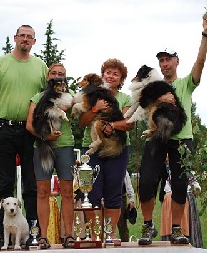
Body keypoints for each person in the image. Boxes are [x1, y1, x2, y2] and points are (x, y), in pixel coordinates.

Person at [138, 12, 207, 245]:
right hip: (158, 137)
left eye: (168, 59)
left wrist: (205, 33)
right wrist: (159, 101)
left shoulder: (185, 84)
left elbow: (200, 64)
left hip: (182, 138)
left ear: (176, 61)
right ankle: (148, 226)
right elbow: (142, 103)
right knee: (146, 181)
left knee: (180, 185)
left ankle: (177, 230)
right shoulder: (155, 85)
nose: (164, 63)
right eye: (161, 60)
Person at [0, 24, 48, 249]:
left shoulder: (41, 66)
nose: (25, 40)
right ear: (15, 38)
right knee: (4, 183)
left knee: (31, 185)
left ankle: (32, 235)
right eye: (22, 36)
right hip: (4, 128)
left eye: (30, 37)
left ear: (34, 42)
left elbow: (45, 100)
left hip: (30, 130)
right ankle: (2, 237)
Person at [79, 58, 134, 245]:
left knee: (114, 192)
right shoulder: (92, 93)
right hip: (92, 149)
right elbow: (82, 122)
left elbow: (129, 123)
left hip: (117, 150)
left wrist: (111, 125)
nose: (111, 76)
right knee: (90, 193)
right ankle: (94, 236)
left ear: (121, 79)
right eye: (108, 73)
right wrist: (96, 108)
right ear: (102, 75)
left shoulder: (125, 98)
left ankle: (109, 234)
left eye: (115, 74)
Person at [26, 63, 75, 249]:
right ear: (48, 77)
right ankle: (43, 236)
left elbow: (75, 108)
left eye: (61, 74)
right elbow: (29, 124)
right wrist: (44, 136)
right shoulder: (38, 97)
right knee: (43, 192)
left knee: (68, 192)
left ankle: (69, 234)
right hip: (42, 146)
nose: (57, 76)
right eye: (53, 73)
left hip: (65, 145)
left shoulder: (69, 97)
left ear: (65, 78)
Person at [116, 171, 135, 242]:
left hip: (121, 197)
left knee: (122, 225)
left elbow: (128, 183)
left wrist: (131, 198)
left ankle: (126, 245)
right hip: (107, 199)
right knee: (106, 225)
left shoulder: (123, 168)